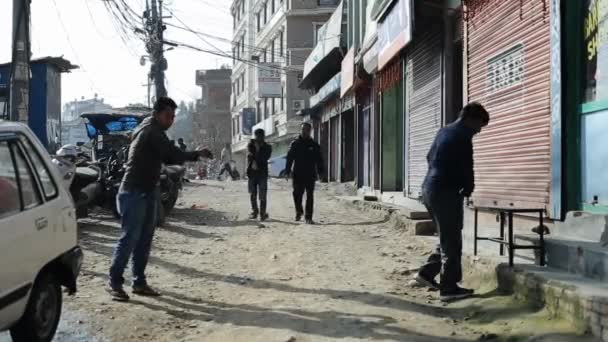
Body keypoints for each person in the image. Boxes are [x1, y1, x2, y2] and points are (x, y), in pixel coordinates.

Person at [107, 97, 212, 302]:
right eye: (168, 116)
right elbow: (172, 155)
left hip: (146, 191)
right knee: (129, 239)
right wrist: (196, 154)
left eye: (173, 117)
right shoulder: (151, 132)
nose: (171, 120)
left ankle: (139, 282)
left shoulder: (149, 129)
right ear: (157, 114)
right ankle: (114, 282)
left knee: (144, 240)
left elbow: (167, 157)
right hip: (134, 191)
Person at [414, 102, 490, 302]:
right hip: (445, 192)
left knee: (446, 237)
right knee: (452, 241)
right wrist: (468, 187)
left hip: (429, 188)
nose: (479, 131)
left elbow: (429, 157)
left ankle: (426, 274)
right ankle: (449, 288)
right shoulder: (462, 136)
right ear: (471, 119)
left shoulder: (444, 131)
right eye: (480, 126)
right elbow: (467, 166)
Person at [285, 122, 324, 224]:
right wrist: (287, 171)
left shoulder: (314, 145)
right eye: (303, 129)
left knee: (310, 195)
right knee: (297, 194)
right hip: (297, 174)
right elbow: (289, 158)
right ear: (300, 130)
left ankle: (308, 217)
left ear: (310, 131)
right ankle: (299, 211)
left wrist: (321, 172)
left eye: (307, 130)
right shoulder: (295, 144)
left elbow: (319, 160)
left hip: (310, 174)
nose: (304, 131)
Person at [247, 129, 272, 220]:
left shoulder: (268, 147)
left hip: (262, 173)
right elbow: (249, 156)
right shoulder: (251, 145)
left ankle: (262, 213)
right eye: (257, 136)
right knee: (253, 194)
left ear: (263, 137)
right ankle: (255, 211)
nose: (258, 138)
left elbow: (264, 158)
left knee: (262, 194)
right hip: (252, 173)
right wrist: (255, 151)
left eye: (260, 136)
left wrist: (257, 151)